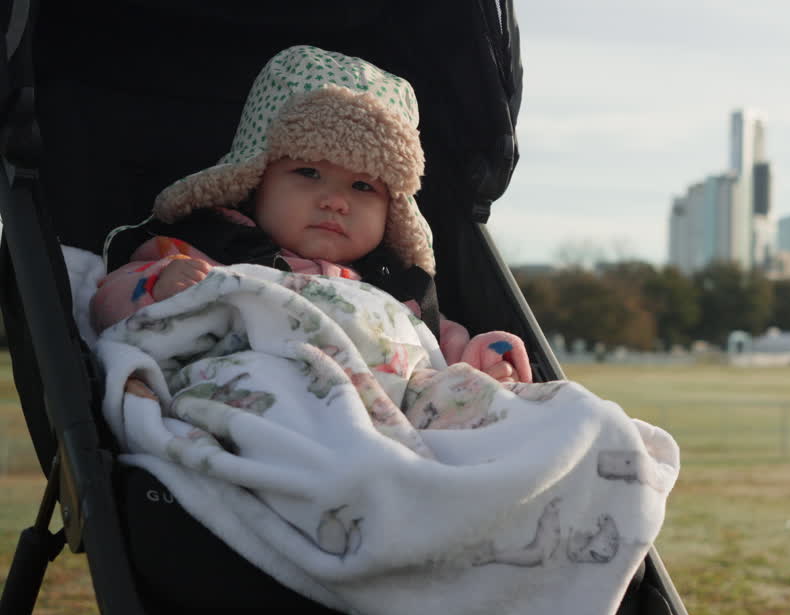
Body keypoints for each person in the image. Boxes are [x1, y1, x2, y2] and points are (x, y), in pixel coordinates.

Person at [90, 45, 531, 384]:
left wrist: (483, 361)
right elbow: (108, 303)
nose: (336, 201)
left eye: (363, 186)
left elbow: (435, 347)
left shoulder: (396, 288)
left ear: (391, 210)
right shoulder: (208, 248)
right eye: (308, 172)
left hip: (383, 413)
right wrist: (157, 285)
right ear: (256, 180)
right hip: (262, 393)